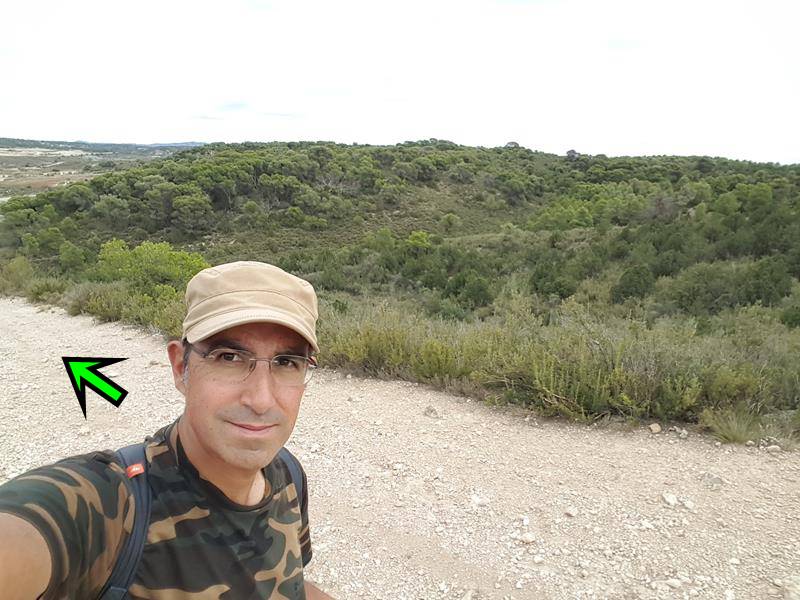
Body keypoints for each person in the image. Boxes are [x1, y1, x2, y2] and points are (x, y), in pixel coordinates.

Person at [0, 260, 336, 600]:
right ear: (180, 367)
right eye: (228, 357)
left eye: (287, 362)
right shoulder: (113, 508)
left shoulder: (287, 473)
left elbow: (290, 583)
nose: (261, 400)